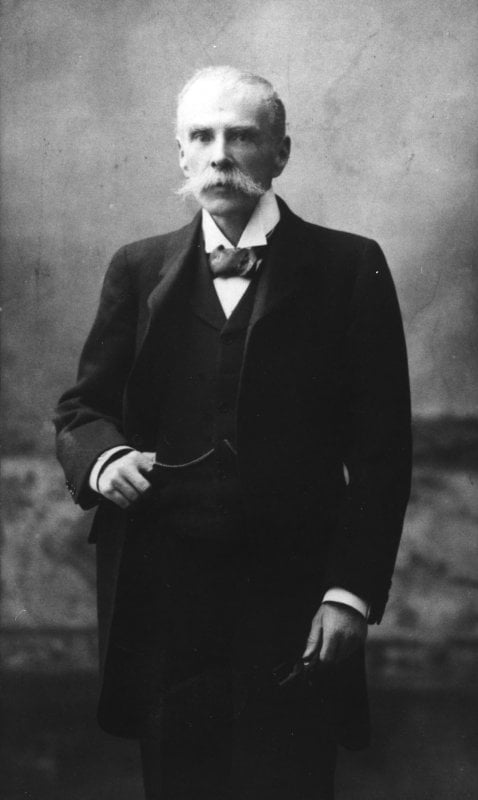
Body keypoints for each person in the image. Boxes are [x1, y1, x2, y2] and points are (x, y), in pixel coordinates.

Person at [54, 66, 412, 800]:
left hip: (292, 600)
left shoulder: (349, 266)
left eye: (242, 136)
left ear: (280, 152)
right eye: (202, 136)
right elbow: (82, 409)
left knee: (290, 779)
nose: (220, 155)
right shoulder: (138, 267)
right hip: (166, 600)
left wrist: (349, 593)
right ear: (181, 153)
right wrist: (104, 459)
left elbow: (383, 455)